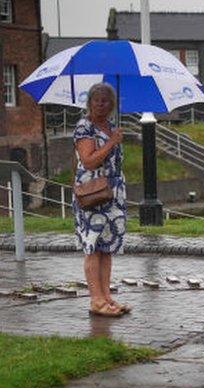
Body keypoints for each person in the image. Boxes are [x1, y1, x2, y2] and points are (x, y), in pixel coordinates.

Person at [73, 83, 129, 317]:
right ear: (89, 103)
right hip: (92, 193)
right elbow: (89, 161)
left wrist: (112, 139)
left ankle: (106, 296)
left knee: (107, 248)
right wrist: (111, 143)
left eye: (105, 101)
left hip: (113, 193)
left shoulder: (111, 127)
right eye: (96, 100)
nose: (100, 105)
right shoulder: (84, 127)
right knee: (93, 246)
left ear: (112, 104)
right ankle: (95, 300)